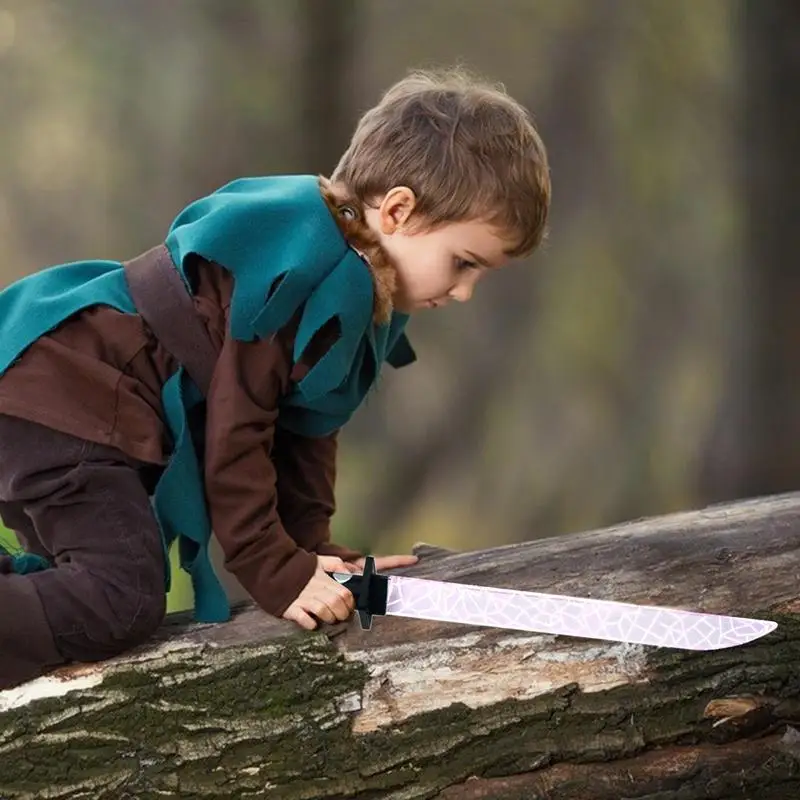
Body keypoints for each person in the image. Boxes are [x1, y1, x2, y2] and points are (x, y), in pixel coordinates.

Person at [0, 67, 551, 689]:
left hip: (74, 408)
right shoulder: (300, 265)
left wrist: (310, 548)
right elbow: (242, 425)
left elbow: (306, 425)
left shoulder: (361, 283)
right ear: (398, 210)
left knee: (86, 588)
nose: (466, 291)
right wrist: (273, 568)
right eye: (463, 262)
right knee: (120, 596)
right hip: (69, 395)